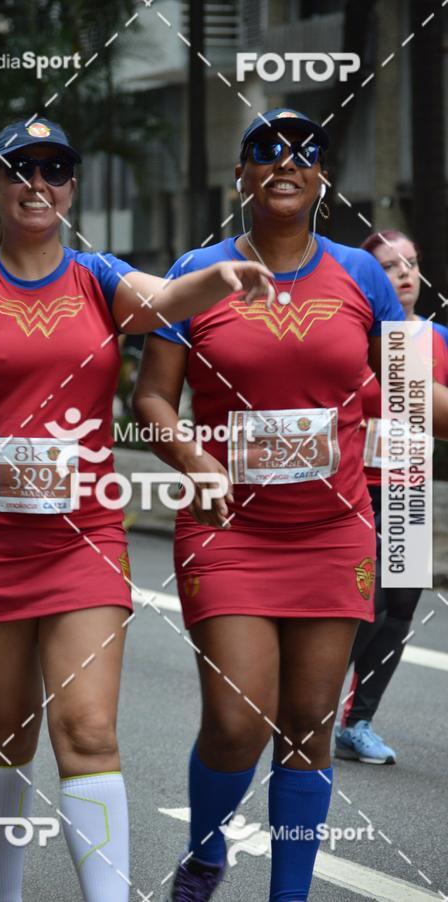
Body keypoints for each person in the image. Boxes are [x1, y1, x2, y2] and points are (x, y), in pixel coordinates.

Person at [0, 118, 274, 902]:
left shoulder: (100, 278)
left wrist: (215, 282)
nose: (36, 182)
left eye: (53, 169)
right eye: (19, 169)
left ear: (71, 186)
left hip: (83, 535)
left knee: (88, 729)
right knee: (6, 731)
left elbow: (165, 300)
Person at [133, 108, 448, 901]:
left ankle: (291, 896)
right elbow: (151, 400)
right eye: (264, 151)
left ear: (323, 179)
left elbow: (411, 395)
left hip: (334, 531)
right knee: (239, 723)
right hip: (229, 533)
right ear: (240, 175)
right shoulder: (198, 270)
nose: (286, 161)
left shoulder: (361, 275)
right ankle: (207, 853)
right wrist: (193, 456)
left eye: (306, 152)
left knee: (308, 726)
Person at [335, 230, 448, 764]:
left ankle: (358, 723)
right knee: (369, 605)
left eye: (412, 262)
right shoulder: (353, 338)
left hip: (409, 487)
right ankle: (306, 707)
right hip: (357, 490)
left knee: (400, 608)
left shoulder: (440, 339)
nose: (405, 274)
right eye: (389, 265)